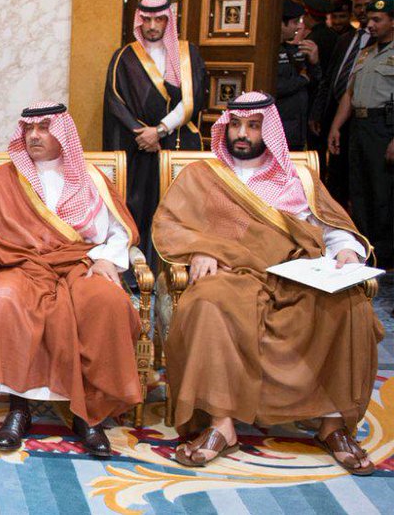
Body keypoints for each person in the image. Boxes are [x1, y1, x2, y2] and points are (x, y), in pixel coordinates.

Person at [154, 92, 379, 475]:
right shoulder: (202, 176)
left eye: (253, 126)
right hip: (233, 275)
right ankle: (221, 424)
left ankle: (333, 424)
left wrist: (346, 251)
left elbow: (331, 226)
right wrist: (199, 250)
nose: (242, 134)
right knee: (205, 303)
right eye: (236, 125)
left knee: (350, 304)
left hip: (296, 274)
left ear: (269, 129)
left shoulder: (297, 179)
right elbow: (171, 225)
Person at [0, 102, 142, 457]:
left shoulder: (91, 179)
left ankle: (89, 413)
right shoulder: (5, 178)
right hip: (22, 264)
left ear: (63, 133)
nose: (35, 136)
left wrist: (106, 258)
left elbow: (120, 231)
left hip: (81, 262)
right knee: (4, 298)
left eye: (44, 127)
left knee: (107, 303)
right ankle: (19, 407)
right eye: (29, 129)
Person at [103, 0, 208, 262]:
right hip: (139, 147)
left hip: (177, 142)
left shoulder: (187, 54)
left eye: (159, 19)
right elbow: (115, 101)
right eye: (147, 20)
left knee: (178, 207)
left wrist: (160, 130)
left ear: (168, 21)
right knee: (138, 206)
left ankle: (175, 266)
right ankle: (138, 269)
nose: (152, 26)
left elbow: (194, 98)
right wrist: (143, 134)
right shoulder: (125, 57)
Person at [329, 0, 394, 267]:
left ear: (392, 21)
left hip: (385, 126)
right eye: (370, 19)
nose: (371, 24)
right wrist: (336, 126)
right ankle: (365, 246)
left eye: (378, 20)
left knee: (383, 190)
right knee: (359, 188)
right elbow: (349, 93)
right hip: (360, 125)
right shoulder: (366, 53)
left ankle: (386, 255)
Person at [311, 0, 377, 203]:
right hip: (334, 114)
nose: (362, 10)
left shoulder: (380, 42)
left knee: (357, 177)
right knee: (334, 174)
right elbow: (329, 78)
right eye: (358, 6)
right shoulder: (344, 39)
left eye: (367, 5)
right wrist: (318, 111)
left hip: (361, 118)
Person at [275, 0, 321, 151]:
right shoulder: (267, 51)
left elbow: (316, 83)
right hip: (277, 131)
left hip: (297, 129)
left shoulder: (293, 50)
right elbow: (274, 87)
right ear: (281, 24)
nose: (299, 26)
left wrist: (314, 62)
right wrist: (302, 80)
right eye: (295, 22)